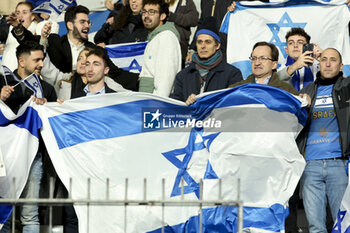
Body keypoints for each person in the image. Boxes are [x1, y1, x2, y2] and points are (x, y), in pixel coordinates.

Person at [10, 5, 140, 91]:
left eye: (88, 22)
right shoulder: (54, 42)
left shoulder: (96, 51)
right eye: (82, 22)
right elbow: (31, 44)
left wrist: (141, 80)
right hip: (57, 99)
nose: (87, 26)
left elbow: (115, 73)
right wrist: (18, 28)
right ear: (70, 25)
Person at [0, 41, 56, 233]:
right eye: (37, 60)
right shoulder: (2, 81)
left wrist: (51, 107)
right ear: (21, 61)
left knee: (29, 214)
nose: (41, 64)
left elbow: (51, 125)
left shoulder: (47, 89)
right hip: (3, 156)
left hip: (33, 157)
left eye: (43, 59)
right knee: (3, 214)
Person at [297, 48, 350, 233]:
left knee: (343, 225)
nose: (327, 64)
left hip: (339, 165)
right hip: (310, 166)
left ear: (341, 66)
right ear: (319, 64)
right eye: (324, 60)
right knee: (315, 227)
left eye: (333, 60)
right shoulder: (306, 91)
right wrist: (300, 105)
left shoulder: (347, 88)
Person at [170, 16, 242, 102]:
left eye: (208, 42)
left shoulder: (232, 74)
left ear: (217, 46)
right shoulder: (183, 76)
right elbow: (175, 108)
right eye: (200, 42)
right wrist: (186, 105)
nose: (203, 46)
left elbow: (235, 105)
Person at [138, 0, 182, 97]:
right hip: (148, 99)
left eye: (152, 12)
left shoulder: (166, 37)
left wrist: (157, 105)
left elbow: (166, 78)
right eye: (144, 11)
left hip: (156, 104)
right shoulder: (155, 37)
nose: (146, 16)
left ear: (162, 16)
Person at [229, 41, 299, 94]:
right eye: (254, 58)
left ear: (274, 64)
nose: (257, 63)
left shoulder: (287, 91)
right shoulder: (235, 89)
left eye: (263, 58)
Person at [0, 1, 39, 71]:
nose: (20, 16)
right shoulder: (9, 28)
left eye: (24, 12)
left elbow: (28, 42)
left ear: (33, 16)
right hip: (6, 76)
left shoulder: (39, 30)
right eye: (18, 13)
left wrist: (18, 28)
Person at [166, 0, 198, 66]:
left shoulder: (186, 2)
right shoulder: (160, 3)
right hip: (163, 44)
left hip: (181, 46)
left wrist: (173, 16)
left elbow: (194, 19)